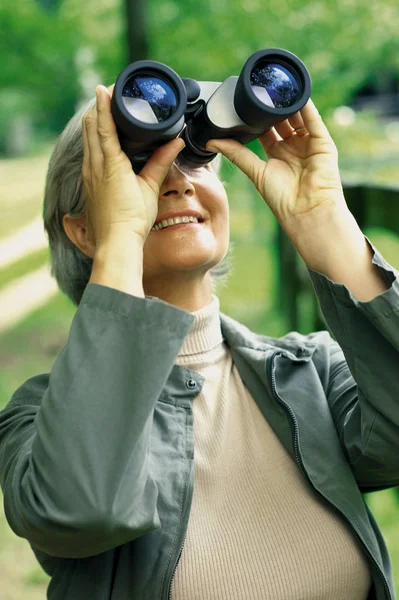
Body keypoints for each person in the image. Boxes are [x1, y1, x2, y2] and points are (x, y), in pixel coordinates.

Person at [0, 81, 398, 600]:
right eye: (138, 168)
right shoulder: (37, 418)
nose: (176, 182)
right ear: (83, 232)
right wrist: (120, 234)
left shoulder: (310, 374)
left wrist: (325, 220)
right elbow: (79, 511)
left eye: (194, 159)